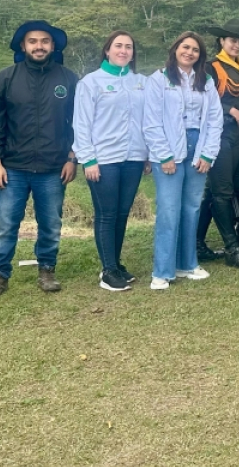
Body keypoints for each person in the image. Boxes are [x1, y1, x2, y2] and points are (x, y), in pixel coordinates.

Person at [0, 20, 78, 298]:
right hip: (12, 167)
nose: (39, 46)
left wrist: (73, 157)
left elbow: (80, 123)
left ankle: (47, 269)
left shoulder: (69, 79)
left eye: (45, 41)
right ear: (22, 45)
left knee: (51, 223)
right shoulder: (5, 79)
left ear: (53, 46)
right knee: (5, 224)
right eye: (33, 41)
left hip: (54, 166)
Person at [144, 32, 224, 290]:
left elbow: (214, 120)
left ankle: (187, 264)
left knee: (191, 208)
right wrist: (164, 155)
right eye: (185, 47)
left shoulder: (206, 80)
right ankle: (162, 271)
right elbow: (151, 121)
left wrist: (207, 154)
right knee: (169, 210)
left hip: (197, 149)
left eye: (195, 50)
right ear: (175, 48)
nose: (190, 52)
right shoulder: (159, 79)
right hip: (168, 151)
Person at [74, 31, 150, 292]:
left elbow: (148, 121)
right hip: (104, 159)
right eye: (118, 46)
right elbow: (81, 123)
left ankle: (116, 264)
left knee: (121, 213)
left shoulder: (141, 82)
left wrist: (148, 154)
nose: (123, 50)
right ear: (107, 50)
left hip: (134, 158)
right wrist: (88, 159)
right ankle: (107, 271)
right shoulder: (91, 82)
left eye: (129, 46)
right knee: (106, 214)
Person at [199, 19, 239, 270]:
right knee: (222, 192)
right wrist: (228, 111)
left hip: (236, 136)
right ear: (221, 41)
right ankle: (232, 247)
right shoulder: (210, 68)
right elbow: (201, 99)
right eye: (232, 40)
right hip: (217, 137)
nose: (237, 44)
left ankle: (196, 243)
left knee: (216, 192)